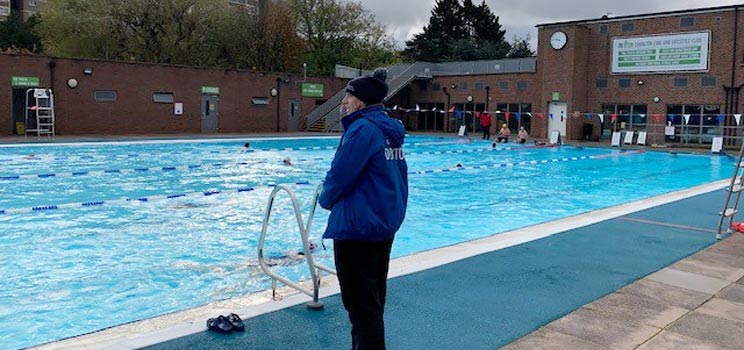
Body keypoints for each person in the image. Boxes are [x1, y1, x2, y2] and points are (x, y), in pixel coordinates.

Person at [319, 68, 408, 350]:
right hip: (382, 225)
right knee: (373, 299)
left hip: (358, 228)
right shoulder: (388, 131)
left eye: (349, 95)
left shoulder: (361, 130)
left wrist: (325, 199)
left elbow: (340, 175)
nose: (344, 100)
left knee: (360, 306)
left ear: (362, 101)